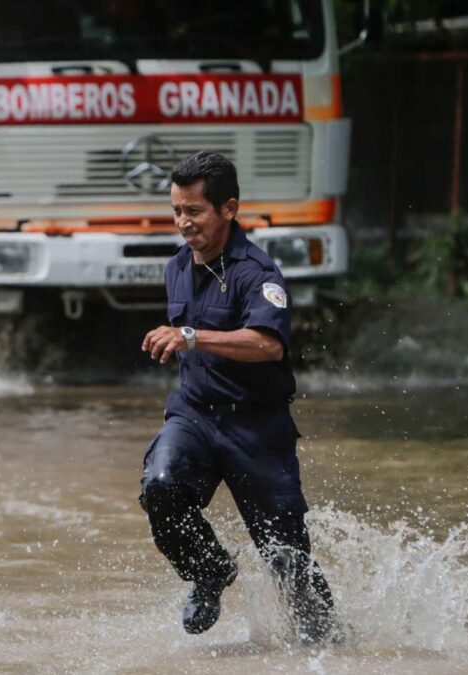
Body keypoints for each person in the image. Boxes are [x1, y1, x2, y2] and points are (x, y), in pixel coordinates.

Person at [139, 151, 336, 641]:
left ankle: (331, 649)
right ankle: (210, 571)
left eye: (195, 212)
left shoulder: (258, 273)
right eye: (177, 211)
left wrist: (190, 335)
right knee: (160, 486)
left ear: (228, 209)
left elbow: (267, 344)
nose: (183, 223)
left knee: (288, 561)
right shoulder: (177, 268)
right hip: (196, 417)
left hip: (256, 427)